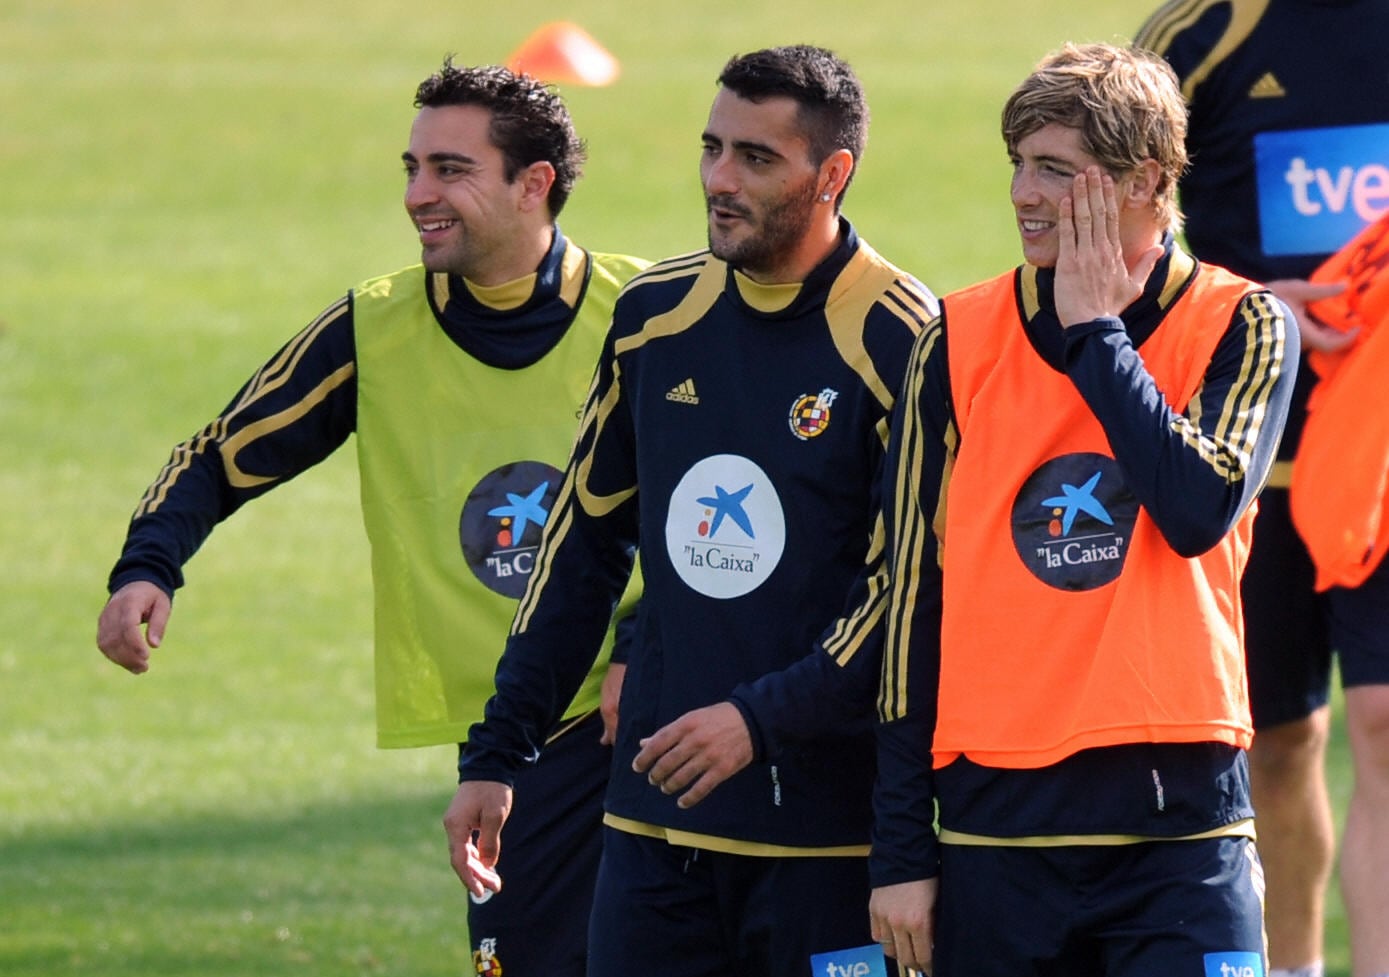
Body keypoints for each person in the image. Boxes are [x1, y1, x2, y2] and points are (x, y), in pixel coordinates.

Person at [94, 59, 646, 977]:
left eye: (450, 171)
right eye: (411, 168)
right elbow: (220, 453)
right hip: (518, 740)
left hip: (650, 713)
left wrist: (645, 636)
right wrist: (147, 566)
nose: (417, 196)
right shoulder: (375, 328)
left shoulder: (647, 316)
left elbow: (736, 495)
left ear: (534, 183)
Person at [443, 44, 939, 977]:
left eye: (756, 158)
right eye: (712, 147)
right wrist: (498, 750)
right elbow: (582, 546)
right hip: (652, 830)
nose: (719, 179)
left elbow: (910, 597)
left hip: (825, 842)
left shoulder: (904, 339)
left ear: (832, 174)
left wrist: (758, 719)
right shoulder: (653, 318)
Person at [866, 42, 1298, 975]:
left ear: (1143, 181)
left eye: (1056, 171)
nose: (1023, 192)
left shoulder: (1244, 322)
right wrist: (901, 849)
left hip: (1180, 829)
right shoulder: (955, 338)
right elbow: (909, 601)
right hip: (996, 825)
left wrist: (1096, 332)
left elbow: (1195, 509)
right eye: (1017, 163)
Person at [1135, 4, 1389, 975]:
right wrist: (1238, 302)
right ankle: (1290, 966)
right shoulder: (1196, 41)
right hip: (1249, 462)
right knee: (1277, 744)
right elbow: (1105, 216)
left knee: (1383, 720)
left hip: (1381, 460)